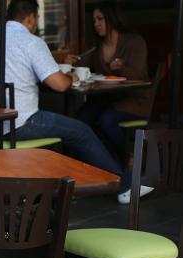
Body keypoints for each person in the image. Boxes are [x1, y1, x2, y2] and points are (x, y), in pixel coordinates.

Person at [0, 0, 149, 204]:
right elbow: (59, 85)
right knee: (81, 131)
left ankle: (76, 186)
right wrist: (71, 78)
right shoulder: (31, 42)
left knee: (77, 124)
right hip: (21, 122)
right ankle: (124, 186)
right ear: (31, 17)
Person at [65, 2, 152, 163]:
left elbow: (138, 76)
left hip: (134, 100)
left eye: (100, 19)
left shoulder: (134, 42)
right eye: (94, 21)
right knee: (80, 118)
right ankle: (83, 164)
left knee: (106, 120)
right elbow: (83, 63)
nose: (96, 24)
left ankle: (124, 159)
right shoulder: (99, 47)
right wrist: (73, 62)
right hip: (107, 98)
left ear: (112, 18)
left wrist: (121, 67)